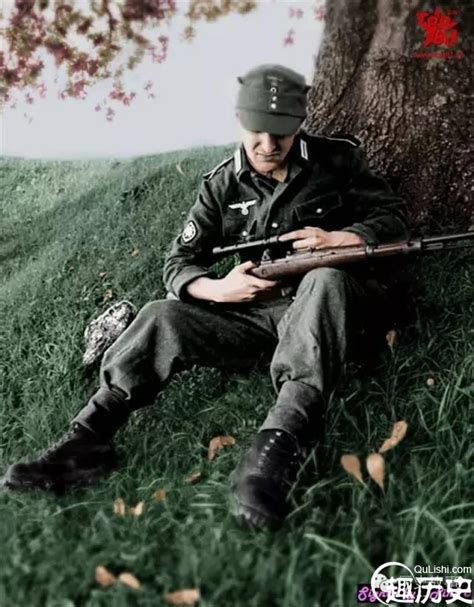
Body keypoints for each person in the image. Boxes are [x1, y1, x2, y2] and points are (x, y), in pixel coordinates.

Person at [4, 64, 409, 530]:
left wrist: (339, 239)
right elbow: (178, 262)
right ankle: (86, 443)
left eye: (281, 132)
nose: (268, 145)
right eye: (257, 131)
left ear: (299, 122)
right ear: (239, 122)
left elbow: (393, 218)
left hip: (328, 314)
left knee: (325, 280)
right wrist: (218, 288)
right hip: (256, 318)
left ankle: (276, 453)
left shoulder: (336, 160)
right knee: (161, 315)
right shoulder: (221, 185)